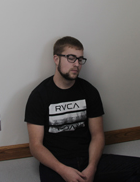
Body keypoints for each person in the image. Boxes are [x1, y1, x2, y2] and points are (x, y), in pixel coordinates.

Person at [25, 36, 140, 182]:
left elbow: (97, 135)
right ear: (56, 59)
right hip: (56, 164)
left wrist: (92, 167)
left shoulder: (89, 91)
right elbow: (36, 146)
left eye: (80, 59)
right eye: (71, 58)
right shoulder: (39, 96)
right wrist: (63, 170)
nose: (77, 64)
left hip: (88, 159)